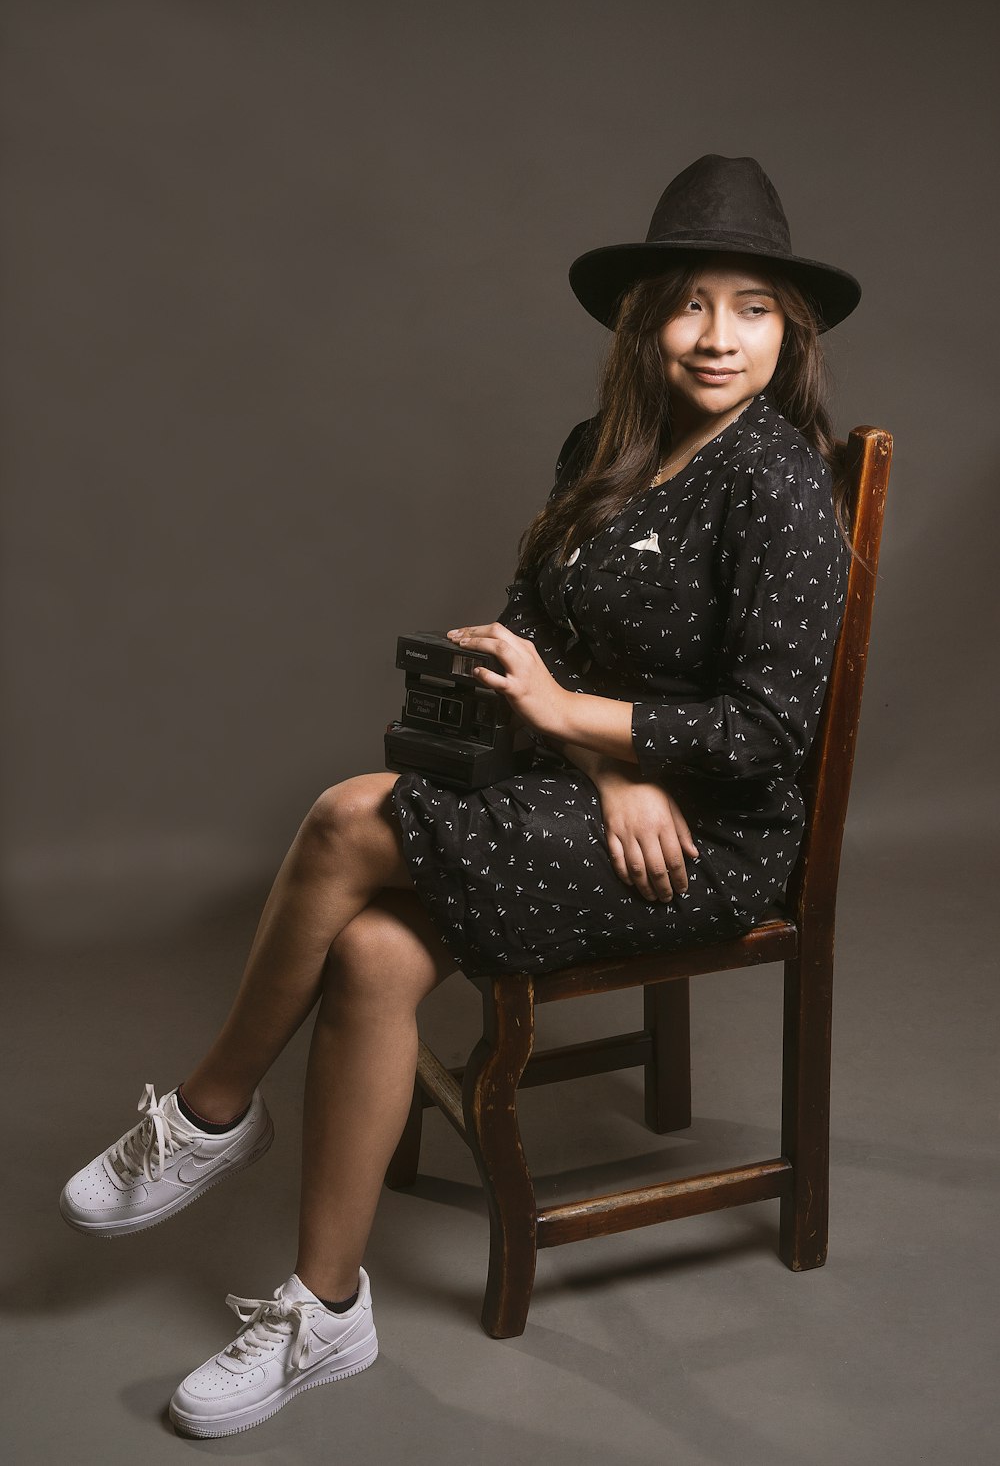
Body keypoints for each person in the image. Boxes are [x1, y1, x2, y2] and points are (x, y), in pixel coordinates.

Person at [59, 154, 862, 1438]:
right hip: (607, 796)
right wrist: (601, 760)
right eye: (691, 302)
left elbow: (767, 733)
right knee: (375, 952)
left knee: (344, 816)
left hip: (710, 837)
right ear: (641, 319)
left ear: (790, 330)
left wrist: (579, 728)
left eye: (754, 307)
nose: (718, 336)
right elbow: (527, 642)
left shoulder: (778, 487)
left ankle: (210, 1114)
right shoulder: (598, 449)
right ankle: (325, 1313)